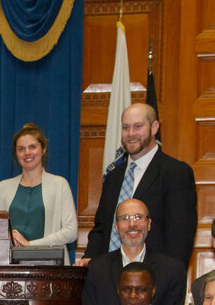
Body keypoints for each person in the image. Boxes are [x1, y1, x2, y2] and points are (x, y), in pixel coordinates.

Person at [82, 103, 197, 267]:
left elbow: (180, 236)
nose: (131, 134)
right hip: (109, 277)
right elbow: (102, 227)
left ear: (154, 127)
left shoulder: (176, 173)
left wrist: (168, 281)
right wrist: (90, 259)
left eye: (138, 126)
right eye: (126, 127)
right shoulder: (113, 177)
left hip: (152, 278)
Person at [81, 197, 187, 305]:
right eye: (125, 218)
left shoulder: (172, 270)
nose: (132, 224)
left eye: (138, 217)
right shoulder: (96, 268)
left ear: (149, 223)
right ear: (116, 226)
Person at [0, 123, 78, 263]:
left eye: (32, 147)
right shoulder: (2, 188)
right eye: (21, 149)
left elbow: (71, 231)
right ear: (16, 153)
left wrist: (30, 245)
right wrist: (7, 236)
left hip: (49, 268)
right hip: (9, 268)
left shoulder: (60, 185)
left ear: (43, 149)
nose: (27, 153)